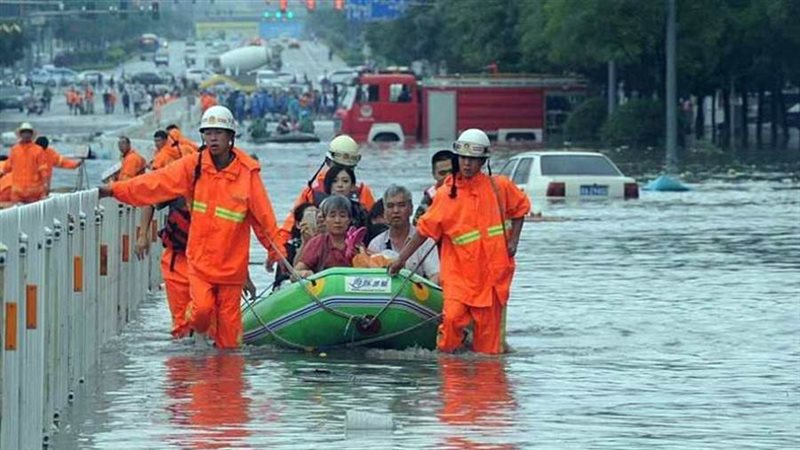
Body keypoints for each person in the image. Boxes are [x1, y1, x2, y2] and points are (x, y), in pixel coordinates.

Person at [99, 106, 283, 349]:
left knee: (230, 344)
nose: (213, 138)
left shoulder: (247, 174)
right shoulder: (192, 167)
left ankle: (225, 384)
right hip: (201, 263)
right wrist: (114, 191)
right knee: (201, 313)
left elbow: (264, 218)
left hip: (231, 269)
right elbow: (154, 183)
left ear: (231, 137)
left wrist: (275, 251)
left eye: (219, 133)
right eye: (208, 133)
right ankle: (188, 332)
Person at [388, 129, 530, 355]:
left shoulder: (499, 187)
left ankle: (488, 388)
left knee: (489, 351)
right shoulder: (446, 195)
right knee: (452, 323)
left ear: (482, 161)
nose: (467, 164)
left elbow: (521, 208)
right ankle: (452, 384)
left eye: (473, 160)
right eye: (463, 158)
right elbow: (423, 231)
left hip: (492, 280)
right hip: (459, 279)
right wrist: (400, 260)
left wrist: (514, 241)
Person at [273, 135, 375, 261]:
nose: (340, 184)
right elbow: (290, 225)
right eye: (337, 166)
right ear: (328, 162)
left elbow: (374, 227)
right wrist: (279, 253)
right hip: (317, 250)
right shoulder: (312, 192)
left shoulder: (363, 192)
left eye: (348, 169)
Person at [368, 185, 440, 284]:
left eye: (401, 205)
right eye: (390, 206)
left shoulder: (426, 241)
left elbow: (435, 275)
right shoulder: (376, 244)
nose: (396, 211)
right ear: (385, 212)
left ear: (411, 209)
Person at [294, 195, 361, 278]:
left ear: (350, 220)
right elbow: (297, 271)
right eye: (332, 216)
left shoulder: (356, 243)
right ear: (324, 220)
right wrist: (304, 274)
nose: (337, 221)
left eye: (343, 216)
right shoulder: (317, 242)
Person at [0, 122, 48, 204]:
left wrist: (45, 184)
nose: (26, 135)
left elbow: (43, 169)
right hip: (17, 192)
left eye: (28, 132)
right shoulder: (14, 150)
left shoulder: (38, 150)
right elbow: (7, 167)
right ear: (20, 134)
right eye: (24, 132)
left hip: (34, 192)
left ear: (31, 134)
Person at [413, 149, 454, 225]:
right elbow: (416, 226)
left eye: (452, 172)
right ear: (434, 175)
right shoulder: (429, 199)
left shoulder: (470, 192)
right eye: (442, 173)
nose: (448, 177)